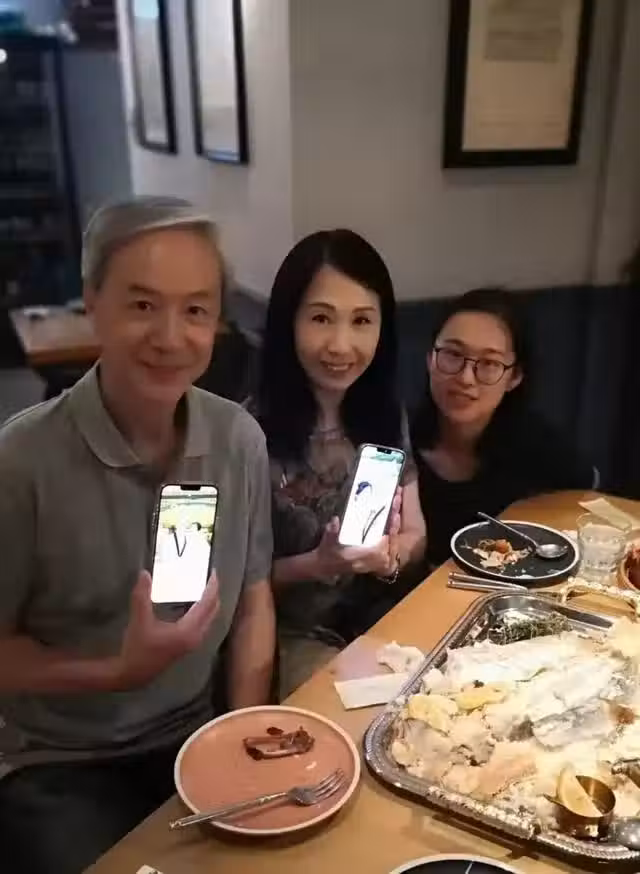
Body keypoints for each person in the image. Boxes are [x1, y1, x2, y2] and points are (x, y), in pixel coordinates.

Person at [0, 196, 275, 874]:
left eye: (196, 310)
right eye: (143, 305)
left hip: (193, 733)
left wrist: (238, 732)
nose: (171, 337)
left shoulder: (236, 439)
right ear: (92, 302)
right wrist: (117, 672)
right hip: (60, 761)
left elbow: (253, 599)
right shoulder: (21, 462)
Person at [253, 229, 426, 697]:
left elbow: (415, 531)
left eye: (362, 321)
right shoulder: (247, 431)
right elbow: (235, 582)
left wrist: (389, 557)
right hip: (286, 635)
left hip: (379, 617)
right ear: (289, 322)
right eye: (321, 318)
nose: (341, 345)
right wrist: (317, 563)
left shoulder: (385, 414)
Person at [411, 287, 594, 568]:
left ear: (514, 377)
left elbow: (589, 502)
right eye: (453, 354)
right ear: (429, 359)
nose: (466, 378)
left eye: (489, 363)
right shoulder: (394, 441)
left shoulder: (539, 445)